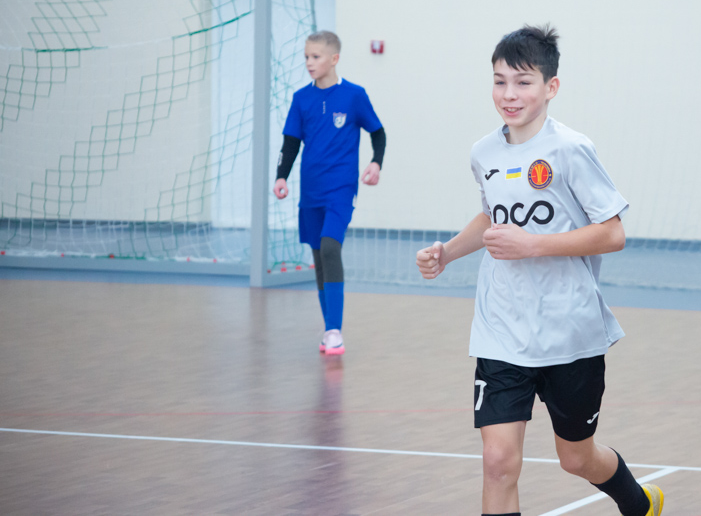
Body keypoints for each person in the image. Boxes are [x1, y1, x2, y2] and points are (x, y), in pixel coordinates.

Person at [415, 25, 663, 516]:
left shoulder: (571, 149)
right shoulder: (484, 153)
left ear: (551, 87)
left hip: (569, 331)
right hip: (501, 327)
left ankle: (638, 503)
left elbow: (613, 233)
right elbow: (492, 215)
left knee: (576, 458)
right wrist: (448, 253)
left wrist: (533, 245)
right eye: (499, 81)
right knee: (498, 462)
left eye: (523, 82)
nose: (509, 94)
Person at [274, 30, 385, 356]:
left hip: (341, 189)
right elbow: (290, 144)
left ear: (334, 59)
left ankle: (335, 330)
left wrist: (376, 162)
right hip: (311, 192)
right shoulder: (301, 99)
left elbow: (378, 133)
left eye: (316, 57)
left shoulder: (354, 96)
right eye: (306, 57)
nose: (309, 62)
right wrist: (281, 177)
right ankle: (329, 330)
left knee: (330, 248)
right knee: (318, 258)